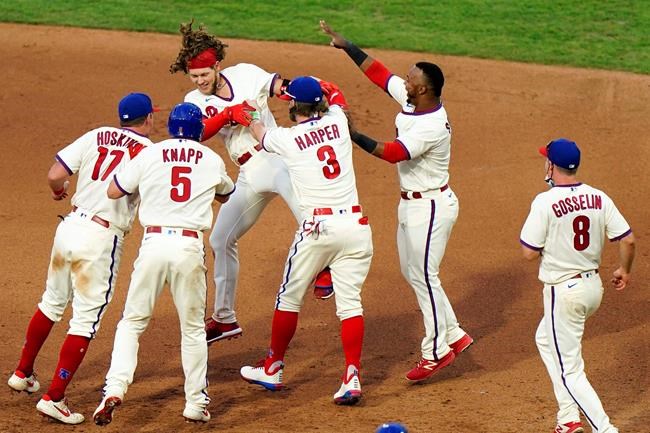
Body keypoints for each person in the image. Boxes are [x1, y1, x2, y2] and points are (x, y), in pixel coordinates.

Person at [320, 21, 473, 382]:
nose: (403, 81)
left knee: (424, 274)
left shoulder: (431, 125)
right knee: (415, 273)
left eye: (409, 78)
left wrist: (352, 133)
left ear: (421, 88)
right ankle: (454, 334)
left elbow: (393, 153)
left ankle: (435, 351)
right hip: (412, 203)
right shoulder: (413, 100)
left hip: (431, 207)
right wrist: (347, 45)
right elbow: (380, 74)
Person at [169, 21, 333, 345]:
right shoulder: (194, 98)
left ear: (217, 65)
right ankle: (225, 318)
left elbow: (278, 87)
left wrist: (298, 90)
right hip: (248, 174)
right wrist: (229, 114)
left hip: (277, 159)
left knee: (307, 214)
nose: (200, 81)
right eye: (194, 76)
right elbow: (198, 133)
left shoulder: (245, 73)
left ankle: (325, 268)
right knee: (220, 239)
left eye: (204, 74)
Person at [6, 93, 156, 424]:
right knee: (85, 321)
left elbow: (55, 174)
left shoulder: (96, 134)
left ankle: (23, 372)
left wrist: (57, 192)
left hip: (70, 227)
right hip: (100, 240)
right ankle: (54, 397)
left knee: (51, 303)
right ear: (148, 119)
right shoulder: (149, 153)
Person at [92, 102, 235, 425]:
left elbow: (115, 191)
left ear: (170, 127)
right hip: (187, 246)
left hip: (154, 244)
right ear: (199, 130)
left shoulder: (150, 153)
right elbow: (227, 193)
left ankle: (114, 389)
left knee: (132, 322)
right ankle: (195, 403)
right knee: (193, 330)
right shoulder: (211, 159)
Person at [238, 76, 373, 405]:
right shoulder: (339, 123)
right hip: (356, 226)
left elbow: (259, 132)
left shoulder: (288, 138)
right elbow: (340, 97)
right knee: (350, 304)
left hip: (318, 229)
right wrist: (328, 84)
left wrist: (251, 114)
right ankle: (352, 374)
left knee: (289, 298)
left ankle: (273, 367)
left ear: (293, 105)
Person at [520, 138, 634, 433]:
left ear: (551, 165)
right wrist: (624, 269)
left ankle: (605, 430)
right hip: (593, 289)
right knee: (545, 339)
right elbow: (628, 239)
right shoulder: (599, 197)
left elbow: (529, 252)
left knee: (572, 371)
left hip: (564, 294)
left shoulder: (544, 201)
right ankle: (568, 417)